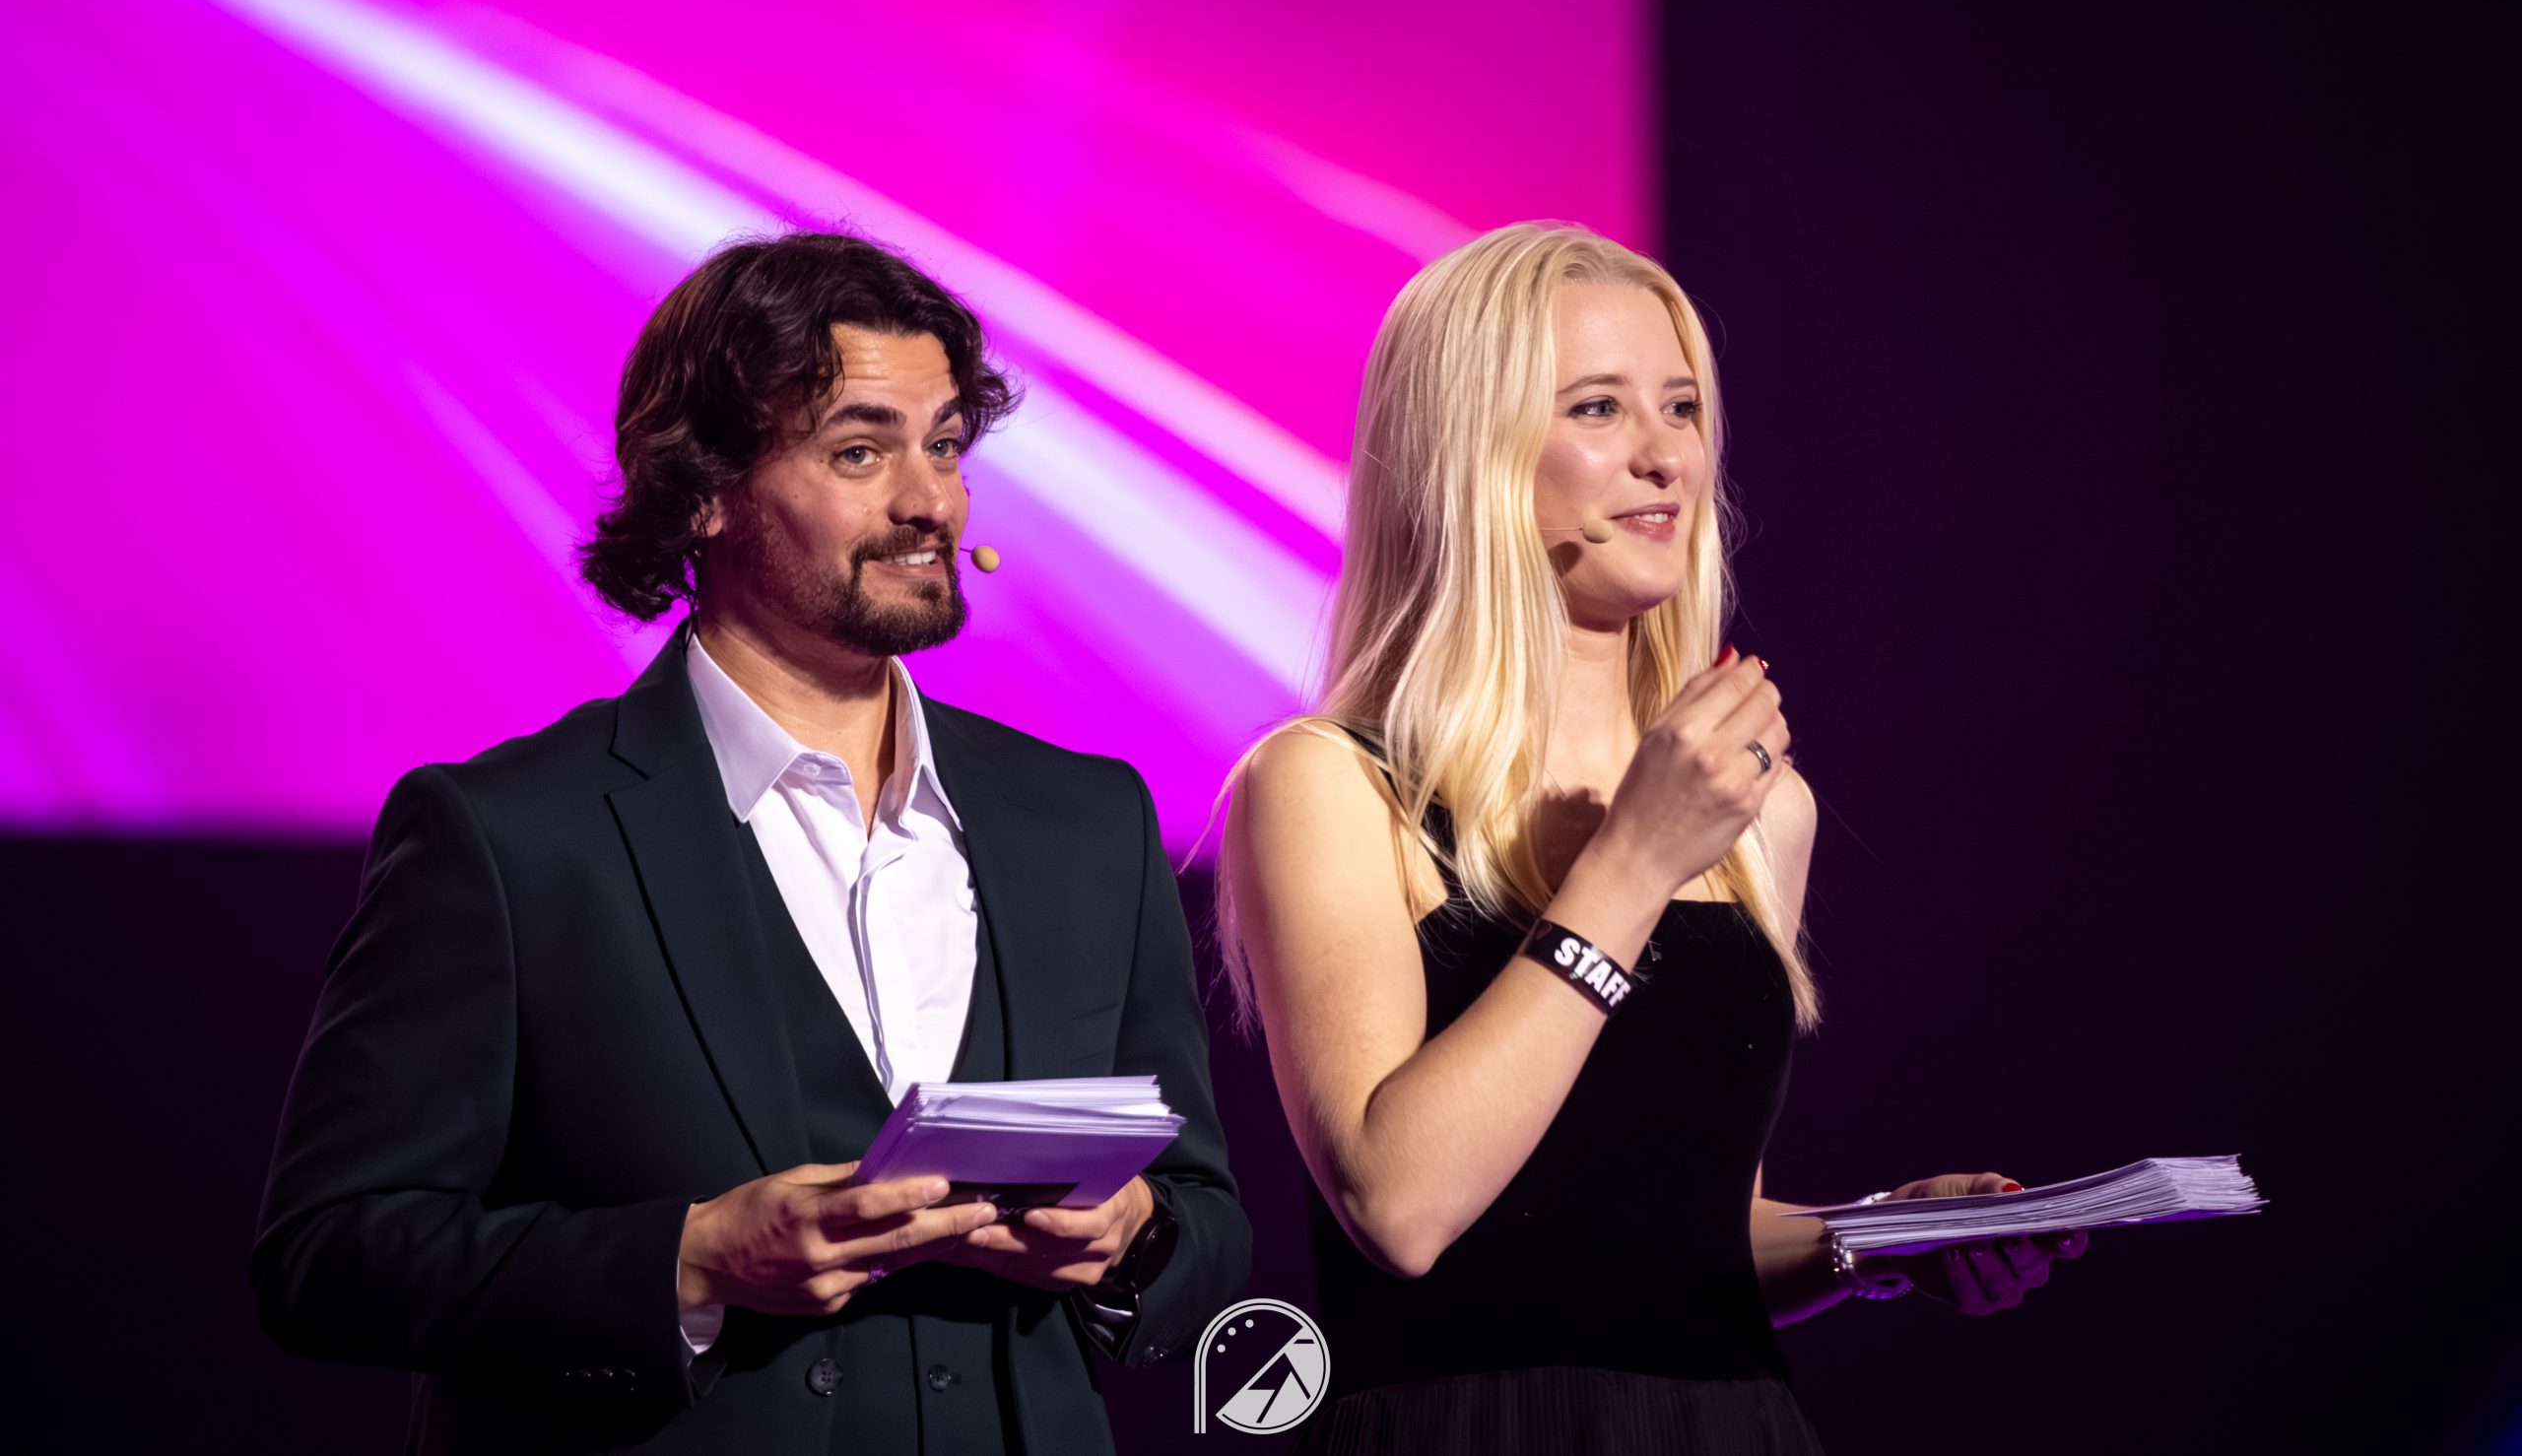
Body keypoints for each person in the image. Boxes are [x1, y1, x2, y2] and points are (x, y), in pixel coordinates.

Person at [253, 230, 1249, 1455]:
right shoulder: (509, 836)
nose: (930, 501)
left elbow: (1205, 1221)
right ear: (705, 491)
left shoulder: (1087, 821)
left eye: (944, 445)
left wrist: (1136, 1236)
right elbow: (328, 1255)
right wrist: (688, 1260)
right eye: (859, 451)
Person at [1216, 222, 2083, 1454]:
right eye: (1597, 408)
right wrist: (1628, 864)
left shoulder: (1761, 809)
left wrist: (1879, 1237)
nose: (1665, 455)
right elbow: (1399, 1205)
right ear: (1469, 450)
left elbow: (1676, 1233)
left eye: (1680, 408)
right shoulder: (1332, 784)